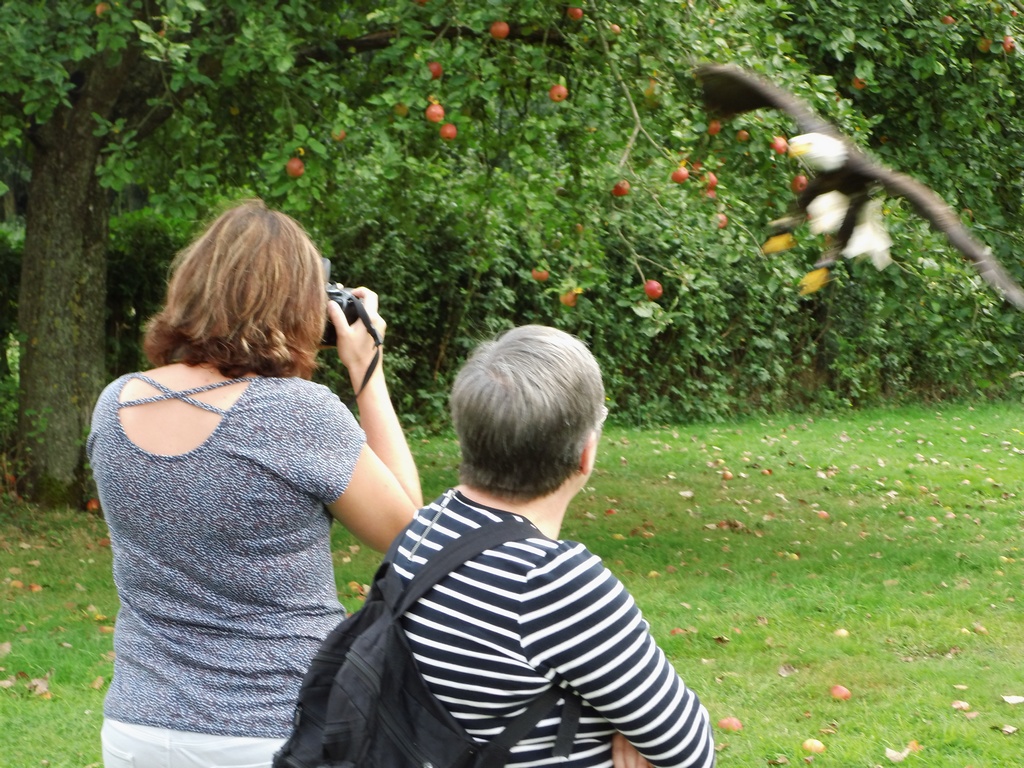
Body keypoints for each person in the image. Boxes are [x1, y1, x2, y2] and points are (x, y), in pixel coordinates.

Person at [87, 199, 422, 768]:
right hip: (273, 730)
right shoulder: (296, 413)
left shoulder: (115, 402)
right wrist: (368, 370)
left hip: (137, 728)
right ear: (297, 306)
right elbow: (409, 532)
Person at [390, 325, 715, 768]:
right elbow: (689, 751)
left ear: (467, 435)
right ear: (585, 454)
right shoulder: (550, 581)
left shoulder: (425, 529)